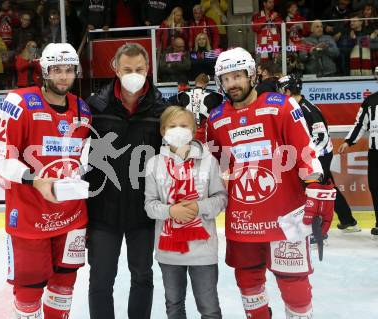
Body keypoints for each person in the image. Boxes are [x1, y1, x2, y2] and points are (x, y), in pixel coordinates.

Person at [206, 47, 335, 319]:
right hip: (243, 220)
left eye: (238, 76)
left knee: (294, 286)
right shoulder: (216, 120)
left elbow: (305, 151)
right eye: (226, 79)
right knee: (248, 282)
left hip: (287, 216)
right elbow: (213, 165)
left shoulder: (281, 105)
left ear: (251, 75)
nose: (232, 84)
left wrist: (315, 188)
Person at [0, 42, 92, 319]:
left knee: (64, 284)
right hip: (28, 218)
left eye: (68, 70)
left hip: (71, 217)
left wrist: (79, 172)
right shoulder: (19, 102)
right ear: (44, 71)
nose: (62, 76)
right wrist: (34, 179)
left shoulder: (82, 108)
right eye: (56, 69)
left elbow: (85, 156)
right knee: (29, 290)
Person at [85, 43, 166, 319]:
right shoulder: (95, 106)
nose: (134, 74)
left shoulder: (160, 110)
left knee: (142, 275)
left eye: (140, 69)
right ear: (115, 69)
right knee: (100, 280)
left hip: (142, 212)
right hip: (102, 211)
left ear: (148, 69)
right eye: (128, 69)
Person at [145, 106, 227, 319]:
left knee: (209, 308)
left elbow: (221, 199)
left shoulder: (209, 162)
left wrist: (199, 207)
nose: (178, 130)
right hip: (169, 253)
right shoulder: (154, 164)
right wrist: (171, 211)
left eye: (184, 125)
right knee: (174, 306)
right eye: (172, 126)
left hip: (203, 251)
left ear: (194, 129)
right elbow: (150, 206)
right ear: (163, 130)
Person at [277, 73, 360, 232]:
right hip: (314, 155)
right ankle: (348, 220)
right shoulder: (294, 107)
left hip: (319, 156)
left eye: (281, 90)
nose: (279, 94)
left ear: (287, 91)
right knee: (326, 188)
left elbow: (320, 136)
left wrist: (305, 155)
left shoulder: (306, 109)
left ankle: (317, 231)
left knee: (314, 190)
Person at [339, 66, 378, 236]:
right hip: (375, 152)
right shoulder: (371, 101)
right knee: (375, 187)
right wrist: (348, 141)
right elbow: (361, 124)